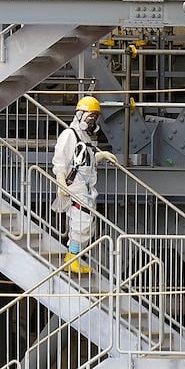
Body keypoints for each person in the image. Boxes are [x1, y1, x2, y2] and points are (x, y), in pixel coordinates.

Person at [50, 95, 118, 274]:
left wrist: (100, 156)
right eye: (90, 116)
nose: (93, 120)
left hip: (86, 189)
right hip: (76, 189)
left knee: (87, 226)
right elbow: (60, 161)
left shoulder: (84, 138)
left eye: (95, 117)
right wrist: (61, 182)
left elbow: (83, 162)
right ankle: (72, 259)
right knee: (81, 224)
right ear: (80, 115)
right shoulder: (69, 135)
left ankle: (74, 258)